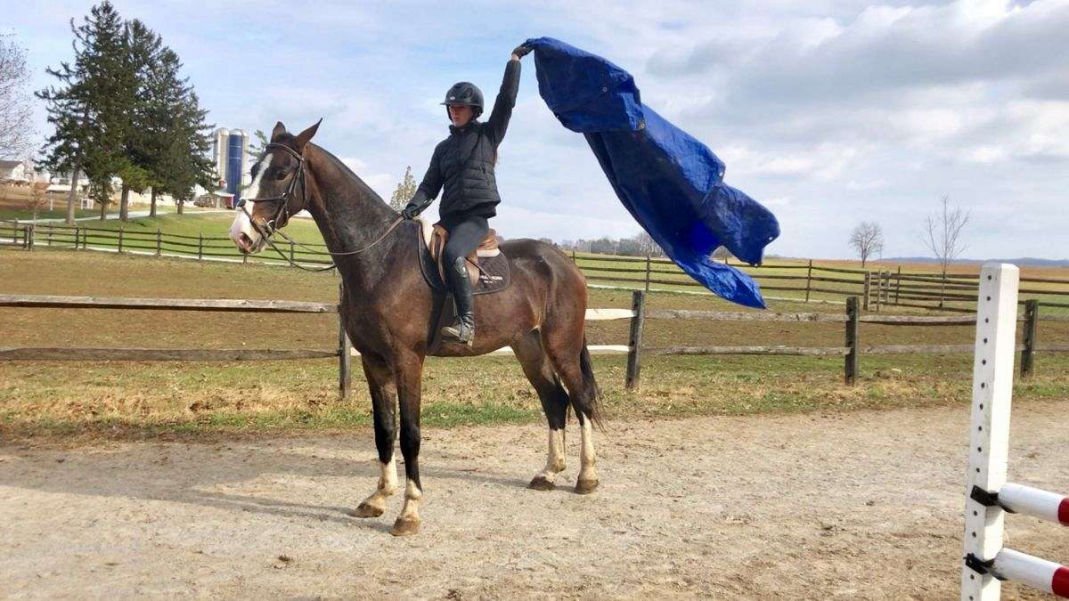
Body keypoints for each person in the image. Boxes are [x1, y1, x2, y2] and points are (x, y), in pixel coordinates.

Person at [402, 44, 532, 345]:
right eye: (451, 107)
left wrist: (514, 62)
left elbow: (507, 101)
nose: (454, 111)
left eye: (460, 107)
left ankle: (466, 324)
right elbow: (429, 186)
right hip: (448, 219)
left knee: (452, 254)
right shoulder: (442, 149)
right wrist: (411, 207)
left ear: (474, 111)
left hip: (474, 220)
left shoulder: (488, 135)